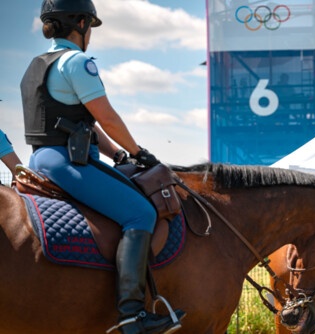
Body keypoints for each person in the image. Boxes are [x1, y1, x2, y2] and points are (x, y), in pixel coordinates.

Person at [21, 1, 184, 333]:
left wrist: (118, 155)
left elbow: (80, 121)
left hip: (40, 159)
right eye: (90, 26)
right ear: (80, 22)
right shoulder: (77, 62)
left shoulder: (36, 64)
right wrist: (140, 152)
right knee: (142, 214)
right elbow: (107, 117)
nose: (91, 34)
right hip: (67, 162)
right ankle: (131, 315)